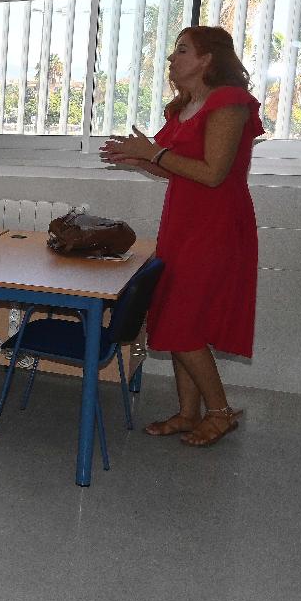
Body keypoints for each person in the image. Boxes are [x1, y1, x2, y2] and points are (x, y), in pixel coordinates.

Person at [100, 25, 261, 447]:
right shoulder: (183, 107)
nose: (172, 58)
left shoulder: (229, 101)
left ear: (208, 58)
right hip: (181, 224)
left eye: (182, 50)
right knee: (171, 317)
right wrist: (136, 157)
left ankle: (220, 413)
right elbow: (173, 167)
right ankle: (189, 413)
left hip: (216, 227)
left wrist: (151, 152)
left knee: (182, 321)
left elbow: (213, 174)